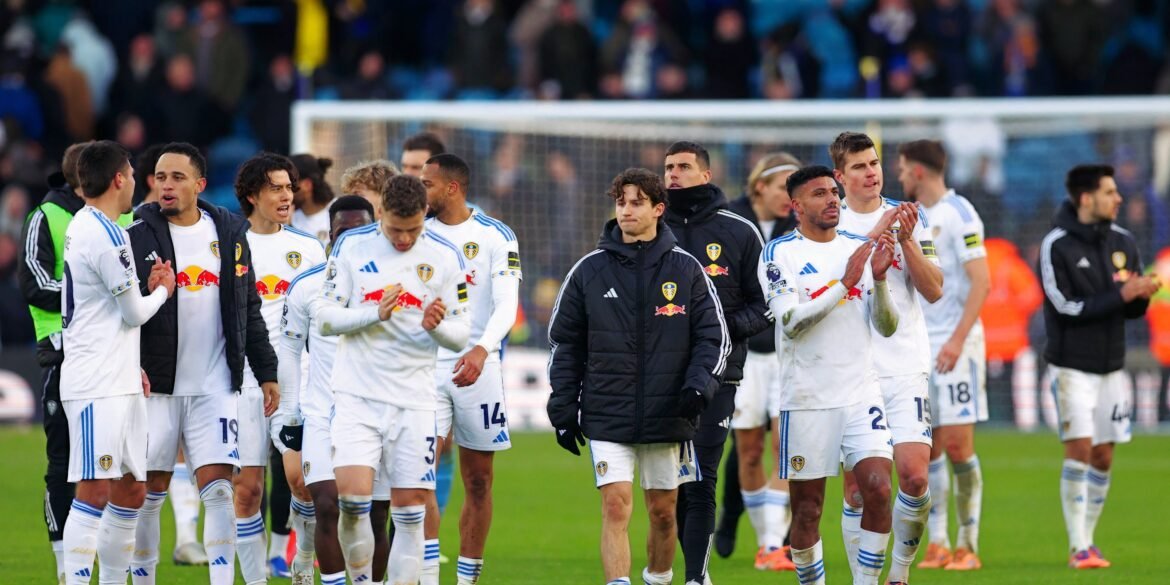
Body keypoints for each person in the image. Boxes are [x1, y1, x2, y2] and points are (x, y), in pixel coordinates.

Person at [547, 167, 729, 585]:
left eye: (637, 202)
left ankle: (658, 578)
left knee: (664, 514)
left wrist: (699, 386)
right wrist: (562, 408)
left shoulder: (686, 270)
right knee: (616, 506)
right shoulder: (588, 270)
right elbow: (564, 343)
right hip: (608, 413)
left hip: (669, 414)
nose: (626, 210)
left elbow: (712, 336)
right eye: (621, 202)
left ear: (658, 209)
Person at [127, 142, 278, 585]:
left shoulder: (229, 231)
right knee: (150, 493)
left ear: (200, 184)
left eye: (176, 177)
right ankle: (142, 578)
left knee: (217, 489)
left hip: (214, 384)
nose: (166, 185)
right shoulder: (137, 232)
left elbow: (247, 306)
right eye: (160, 177)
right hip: (156, 386)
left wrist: (265, 371)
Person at [316, 174, 471, 585]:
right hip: (357, 398)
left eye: (414, 230)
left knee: (409, 514)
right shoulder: (351, 246)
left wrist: (436, 326)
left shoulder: (445, 256)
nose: (404, 240)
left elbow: (460, 333)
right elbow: (326, 318)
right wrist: (374, 313)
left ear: (425, 217)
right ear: (380, 212)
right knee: (352, 502)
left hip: (415, 402)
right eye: (396, 230)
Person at [758, 165, 899, 585]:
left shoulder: (859, 247)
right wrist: (845, 283)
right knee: (807, 510)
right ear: (796, 206)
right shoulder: (780, 254)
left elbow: (887, 326)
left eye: (834, 192)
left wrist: (879, 282)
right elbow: (790, 322)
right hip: (808, 399)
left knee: (877, 489)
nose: (833, 199)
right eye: (820, 194)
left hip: (861, 392)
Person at [59, 140, 174, 584]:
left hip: (119, 377)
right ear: (118, 179)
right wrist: (163, 288)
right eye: (130, 173)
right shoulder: (106, 234)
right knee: (94, 489)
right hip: (96, 383)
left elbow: (111, 314)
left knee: (131, 488)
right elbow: (134, 312)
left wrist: (133, 365)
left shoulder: (88, 224)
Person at [833, 131, 944, 585]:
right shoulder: (828, 226)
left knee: (915, 479)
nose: (871, 172)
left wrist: (909, 243)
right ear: (840, 176)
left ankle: (898, 574)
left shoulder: (911, 218)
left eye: (875, 163)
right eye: (859, 166)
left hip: (904, 369)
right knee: (860, 490)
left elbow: (935, 290)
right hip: (852, 373)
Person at [17, 141, 129, 583]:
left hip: (114, 360)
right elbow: (33, 280)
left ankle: (112, 563)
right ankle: (68, 565)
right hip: (63, 356)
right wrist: (89, 292)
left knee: (120, 471)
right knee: (64, 464)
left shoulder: (119, 215)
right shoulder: (45, 217)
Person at [1039, 164, 1161, 568]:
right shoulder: (1056, 245)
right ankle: (1080, 546)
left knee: (1104, 456)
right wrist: (1123, 294)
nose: (1119, 198)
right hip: (1071, 367)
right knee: (1079, 449)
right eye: (1111, 192)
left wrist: (1141, 294)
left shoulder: (1123, 241)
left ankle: (1088, 539)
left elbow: (1130, 307)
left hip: (1113, 367)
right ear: (1087, 198)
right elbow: (1064, 307)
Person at [662, 140, 772, 585]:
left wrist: (716, 329)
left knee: (702, 477)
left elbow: (765, 307)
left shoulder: (740, 231)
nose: (674, 174)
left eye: (684, 166)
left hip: (717, 377)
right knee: (668, 488)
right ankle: (663, 572)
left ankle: (696, 576)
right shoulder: (649, 226)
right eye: (669, 167)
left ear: (705, 175)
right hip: (658, 377)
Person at [421, 153, 521, 585]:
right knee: (418, 471)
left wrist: (482, 349)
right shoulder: (416, 233)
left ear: (452, 188)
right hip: (424, 367)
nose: (419, 189)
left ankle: (467, 579)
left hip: (479, 368)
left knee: (478, 480)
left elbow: (508, 303)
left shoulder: (495, 236)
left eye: (426, 183)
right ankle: (424, 574)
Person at [273, 195, 379, 585]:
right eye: (342, 232)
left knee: (372, 514)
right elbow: (289, 350)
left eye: (360, 230)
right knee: (326, 504)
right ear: (330, 236)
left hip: (376, 413)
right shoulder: (306, 286)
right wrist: (290, 412)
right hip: (321, 414)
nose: (350, 239)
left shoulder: (391, 283)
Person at [897, 139, 993, 571]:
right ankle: (936, 542)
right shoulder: (912, 217)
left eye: (901, 168)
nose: (898, 176)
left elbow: (981, 282)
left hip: (957, 345)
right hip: (919, 346)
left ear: (918, 171)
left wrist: (956, 340)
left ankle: (967, 544)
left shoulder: (960, 214)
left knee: (957, 446)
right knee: (927, 448)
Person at [233, 152, 327, 582]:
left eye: (290, 186)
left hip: (295, 379)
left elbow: (322, 320)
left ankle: (303, 558)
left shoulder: (308, 248)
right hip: (243, 380)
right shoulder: (232, 244)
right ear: (253, 195)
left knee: (300, 479)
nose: (287, 194)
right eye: (276, 187)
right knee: (247, 490)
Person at [721, 152, 800, 570]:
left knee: (783, 447)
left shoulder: (803, 223)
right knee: (748, 450)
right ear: (759, 188)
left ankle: (772, 544)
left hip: (789, 353)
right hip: (744, 352)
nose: (791, 197)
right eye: (783, 187)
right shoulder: (730, 221)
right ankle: (759, 536)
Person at [291, 154, 336, 244]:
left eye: (290, 185)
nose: (286, 193)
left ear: (307, 185)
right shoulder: (289, 220)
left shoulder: (340, 213)